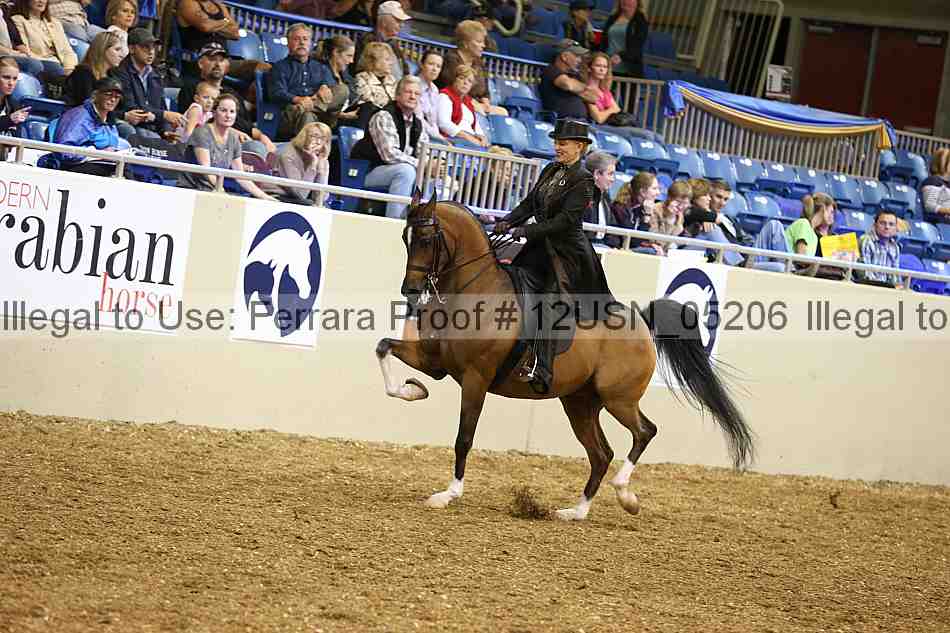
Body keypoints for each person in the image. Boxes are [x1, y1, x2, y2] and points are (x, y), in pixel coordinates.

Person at [492, 118, 615, 394]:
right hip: (540, 246)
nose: (557, 147)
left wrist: (527, 230)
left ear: (579, 147)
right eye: (557, 142)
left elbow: (565, 221)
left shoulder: (583, 179)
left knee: (548, 301)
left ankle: (543, 368)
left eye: (563, 143)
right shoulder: (550, 169)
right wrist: (508, 221)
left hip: (567, 253)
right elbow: (529, 203)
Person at [177, 42, 276, 158]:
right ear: (200, 63)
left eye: (221, 60)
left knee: (276, 150)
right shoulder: (191, 89)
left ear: (227, 65)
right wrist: (233, 132)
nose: (217, 64)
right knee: (255, 148)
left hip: (239, 143)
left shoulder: (232, 93)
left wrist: (262, 137)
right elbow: (195, 124)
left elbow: (246, 125)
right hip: (209, 145)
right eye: (212, 59)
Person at [349, 75, 427, 219]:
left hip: (392, 170)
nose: (412, 97)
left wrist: (433, 165)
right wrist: (423, 165)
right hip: (365, 171)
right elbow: (390, 155)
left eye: (416, 93)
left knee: (437, 178)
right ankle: (395, 223)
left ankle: (425, 223)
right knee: (406, 171)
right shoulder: (384, 116)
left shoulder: (418, 123)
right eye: (408, 92)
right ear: (397, 95)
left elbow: (424, 151)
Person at [178, 93, 276, 201]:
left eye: (232, 112)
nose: (228, 115)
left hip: (215, 192)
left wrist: (264, 196)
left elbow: (240, 176)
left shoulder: (233, 138)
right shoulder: (201, 133)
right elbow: (207, 171)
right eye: (223, 110)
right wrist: (224, 194)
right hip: (191, 191)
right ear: (214, 112)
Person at [266, 23, 346, 140]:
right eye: (296, 39)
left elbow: (332, 88)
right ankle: (302, 109)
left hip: (320, 115)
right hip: (291, 117)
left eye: (305, 39)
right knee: (306, 115)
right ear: (288, 43)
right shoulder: (280, 67)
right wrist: (298, 100)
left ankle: (305, 107)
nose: (302, 43)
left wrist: (325, 86)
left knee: (343, 90)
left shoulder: (320, 67)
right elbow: (276, 93)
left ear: (310, 43)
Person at [50, 76, 129, 176]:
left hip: (103, 162)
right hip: (74, 167)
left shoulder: (110, 120)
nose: (113, 99)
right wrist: (96, 153)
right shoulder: (79, 117)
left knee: (128, 168)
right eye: (108, 95)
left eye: (117, 97)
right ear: (95, 94)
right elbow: (64, 151)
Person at [113, 28, 184, 139]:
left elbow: (161, 105)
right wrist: (164, 115)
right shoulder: (120, 72)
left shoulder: (155, 74)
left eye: (153, 47)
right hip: (132, 125)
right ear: (131, 49)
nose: (151, 52)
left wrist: (165, 131)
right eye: (145, 47)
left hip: (151, 127)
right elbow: (131, 108)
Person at [175, 0, 268, 81]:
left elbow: (235, 34)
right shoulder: (187, 3)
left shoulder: (218, 5)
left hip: (224, 61)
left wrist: (213, 24)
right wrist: (225, 22)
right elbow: (206, 26)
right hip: (201, 60)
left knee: (264, 68)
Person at [437, 19, 505, 116]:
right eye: (479, 42)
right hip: (455, 102)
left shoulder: (480, 64)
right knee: (477, 110)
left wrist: (486, 102)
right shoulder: (450, 60)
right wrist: (473, 103)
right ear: (465, 43)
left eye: (483, 42)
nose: (483, 46)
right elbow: (454, 89)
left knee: (502, 112)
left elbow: (485, 92)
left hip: (477, 104)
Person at [752, 192, 836, 270]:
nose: (833, 217)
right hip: (787, 263)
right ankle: (752, 263)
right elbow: (801, 257)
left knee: (782, 268)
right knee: (775, 225)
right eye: (831, 212)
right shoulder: (803, 223)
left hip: (789, 267)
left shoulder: (815, 236)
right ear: (823, 208)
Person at [268, 121, 331, 206]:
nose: (318, 142)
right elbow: (301, 194)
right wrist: (312, 165)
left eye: (323, 138)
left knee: (324, 206)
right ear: (304, 137)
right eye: (314, 136)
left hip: (300, 199)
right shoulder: (288, 156)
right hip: (277, 197)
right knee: (310, 205)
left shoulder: (321, 158)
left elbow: (321, 197)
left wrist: (321, 167)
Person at [11, 0, 78, 79]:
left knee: (81, 73)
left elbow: (67, 51)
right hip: (41, 63)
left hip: (60, 65)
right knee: (56, 69)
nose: (41, 1)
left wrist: (69, 68)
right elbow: (25, 51)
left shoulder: (55, 22)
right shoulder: (18, 20)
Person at [539, 38, 599, 122]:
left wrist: (576, 89)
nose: (580, 60)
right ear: (564, 57)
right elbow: (567, 85)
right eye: (577, 56)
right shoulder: (551, 70)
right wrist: (582, 89)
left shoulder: (575, 75)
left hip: (581, 122)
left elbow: (594, 98)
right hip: (561, 123)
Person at [62, 30, 123, 107]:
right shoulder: (83, 73)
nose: (121, 55)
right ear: (103, 49)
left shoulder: (113, 76)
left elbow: (119, 106)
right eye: (117, 50)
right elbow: (87, 104)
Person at [354, 0, 410, 81]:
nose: (401, 25)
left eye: (402, 22)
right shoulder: (367, 41)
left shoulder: (394, 43)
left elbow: (405, 70)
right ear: (384, 22)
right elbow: (362, 69)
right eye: (398, 21)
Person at [311, 34, 358, 128]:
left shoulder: (347, 77)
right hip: (322, 120)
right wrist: (343, 115)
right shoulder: (319, 70)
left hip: (341, 121)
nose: (351, 61)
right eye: (349, 56)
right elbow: (323, 104)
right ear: (335, 52)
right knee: (342, 90)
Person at [436, 63, 488, 147]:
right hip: (454, 139)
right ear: (454, 79)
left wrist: (482, 137)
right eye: (462, 78)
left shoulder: (468, 102)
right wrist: (468, 137)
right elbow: (444, 124)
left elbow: (476, 126)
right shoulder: (444, 96)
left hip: (470, 140)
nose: (465, 83)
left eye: (469, 81)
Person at [609, 171, 662, 252]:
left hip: (627, 248)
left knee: (656, 250)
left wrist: (649, 244)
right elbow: (633, 242)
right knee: (651, 252)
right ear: (642, 192)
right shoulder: (620, 208)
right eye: (654, 188)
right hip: (615, 249)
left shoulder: (640, 208)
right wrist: (646, 217)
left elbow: (639, 239)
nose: (658, 193)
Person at [596, 0, 648, 78]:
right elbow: (604, 41)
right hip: (606, 66)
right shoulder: (613, 17)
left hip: (628, 70)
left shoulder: (640, 20)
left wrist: (621, 56)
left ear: (637, 2)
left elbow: (637, 46)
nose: (625, 1)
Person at [858, 209, 901, 286]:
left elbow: (895, 275)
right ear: (875, 225)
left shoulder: (895, 247)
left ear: (895, 228)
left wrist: (897, 286)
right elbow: (865, 274)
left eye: (891, 224)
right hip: (868, 286)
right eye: (883, 223)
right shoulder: (866, 241)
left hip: (886, 288)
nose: (887, 227)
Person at [583, 150, 616, 247]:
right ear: (597, 174)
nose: (613, 179)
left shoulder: (605, 197)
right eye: (610, 174)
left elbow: (613, 230)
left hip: (602, 246)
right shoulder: (581, 195)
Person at [0, 4, 45, 75]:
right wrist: (11, 52)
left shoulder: (4, 9)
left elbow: (17, 40)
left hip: (11, 53)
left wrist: (28, 53)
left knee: (51, 66)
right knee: (34, 65)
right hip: (4, 54)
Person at [649, 179, 690, 254]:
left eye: (685, 203)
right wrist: (670, 218)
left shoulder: (679, 216)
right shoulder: (655, 210)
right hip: (653, 250)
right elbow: (657, 241)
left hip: (665, 252)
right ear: (669, 198)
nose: (681, 206)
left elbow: (670, 245)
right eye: (678, 201)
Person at [353, 41, 397, 109]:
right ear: (374, 61)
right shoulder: (362, 78)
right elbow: (369, 105)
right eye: (387, 59)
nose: (391, 63)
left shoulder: (392, 79)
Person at [174, 79, 217, 143]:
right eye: (205, 97)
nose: (209, 101)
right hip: (181, 141)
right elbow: (188, 132)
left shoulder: (208, 113)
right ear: (196, 98)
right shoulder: (196, 109)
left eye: (213, 99)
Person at [415, 49, 443, 141]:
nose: (434, 69)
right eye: (431, 64)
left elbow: (433, 121)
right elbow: (418, 119)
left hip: (431, 135)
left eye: (438, 66)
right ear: (422, 65)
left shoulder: (435, 89)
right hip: (417, 133)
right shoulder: (414, 85)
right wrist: (439, 137)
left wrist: (439, 137)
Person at [0, 56, 29, 136]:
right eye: (6, 77)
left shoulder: (13, 105)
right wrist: (9, 119)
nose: (11, 83)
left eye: (15, 79)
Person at [921, 148, 950, 222]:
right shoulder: (933, 181)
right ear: (943, 163)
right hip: (938, 222)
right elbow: (929, 206)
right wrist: (947, 211)